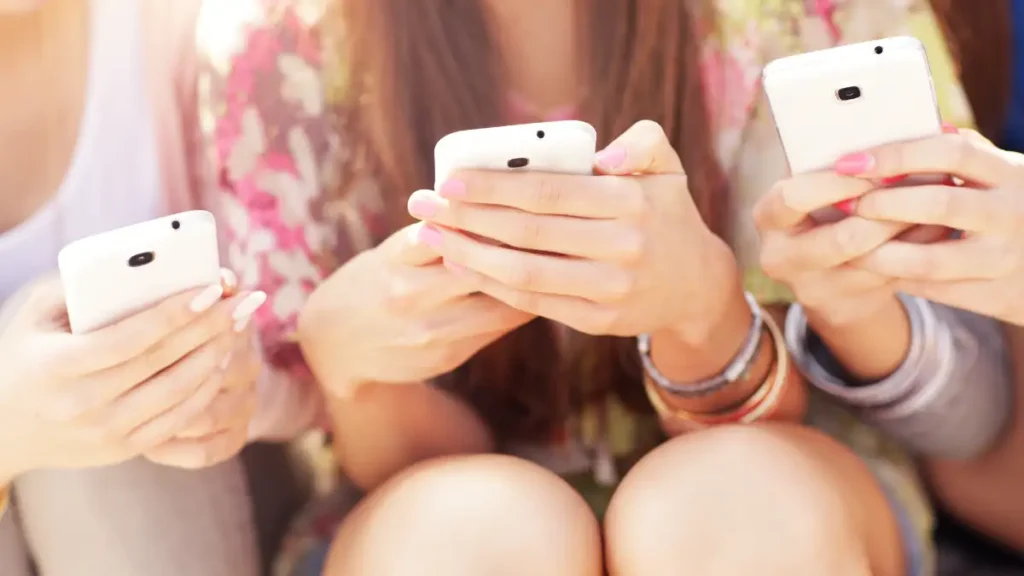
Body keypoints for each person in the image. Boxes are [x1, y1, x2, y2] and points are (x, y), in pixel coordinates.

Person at [198, 0, 1016, 574]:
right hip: (437, 508)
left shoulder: (806, 15)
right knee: (468, 531)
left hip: (785, 485)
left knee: (727, 502)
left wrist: (703, 314)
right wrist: (354, 369)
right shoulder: (277, 50)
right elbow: (420, 470)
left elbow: (968, 405)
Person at [0, 1, 268, 574]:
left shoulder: (189, 28)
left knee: (110, 377)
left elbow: (303, 344)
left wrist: (231, 378)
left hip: (170, 497)